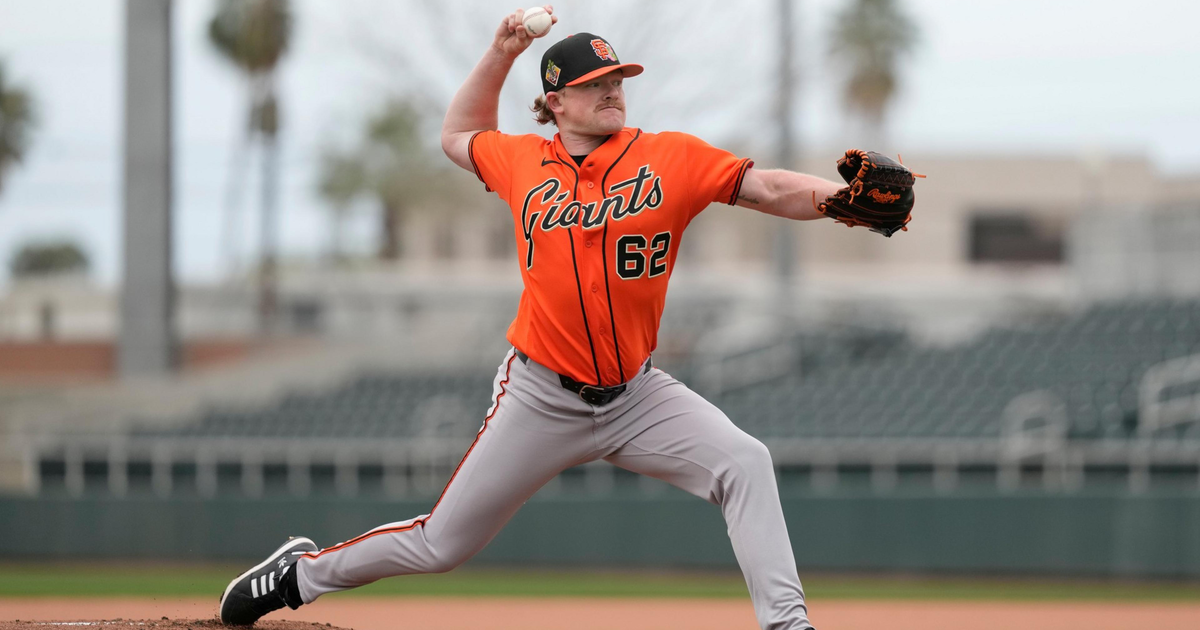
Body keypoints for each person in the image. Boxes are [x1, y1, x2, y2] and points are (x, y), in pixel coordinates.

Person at [219, 7, 852, 629]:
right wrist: (501, 52)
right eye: (594, 84)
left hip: (639, 394)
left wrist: (843, 200)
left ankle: (787, 626)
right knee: (440, 544)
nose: (612, 91)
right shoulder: (523, 161)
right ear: (555, 101)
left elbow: (767, 188)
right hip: (541, 397)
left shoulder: (670, 158)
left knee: (745, 462)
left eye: (617, 81)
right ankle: (298, 576)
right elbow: (456, 135)